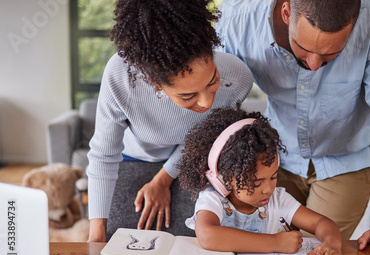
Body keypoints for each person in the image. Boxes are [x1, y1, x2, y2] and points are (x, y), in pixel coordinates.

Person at [215, 0, 370, 255]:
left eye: (330, 55)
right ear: (286, 11)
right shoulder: (239, 19)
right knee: (264, 254)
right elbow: (216, 103)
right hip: (274, 155)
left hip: (347, 159)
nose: (314, 65)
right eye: (304, 50)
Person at [86, 0, 253, 242]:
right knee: (118, 240)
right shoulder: (120, 77)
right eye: (188, 95)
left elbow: (209, 137)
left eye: (211, 81)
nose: (206, 102)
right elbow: (104, 155)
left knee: (195, 241)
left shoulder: (237, 78)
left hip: (196, 159)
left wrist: (163, 179)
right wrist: (96, 234)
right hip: (132, 158)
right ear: (154, 82)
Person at [178, 108, 343, 255]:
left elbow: (321, 223)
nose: (268, 189)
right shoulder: (213, 199)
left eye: (274, 177)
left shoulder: (277, 199)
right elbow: (207, 236)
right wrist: (275, 243)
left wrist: (332, 242)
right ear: (225, 178)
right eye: (257, 183)